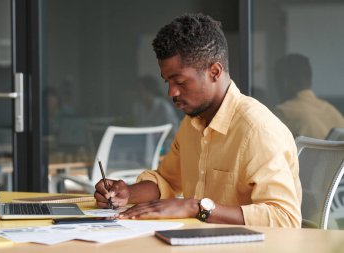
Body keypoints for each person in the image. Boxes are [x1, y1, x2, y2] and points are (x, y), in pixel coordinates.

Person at [94, 13, 302, 227]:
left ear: (214, 71)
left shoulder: (257, 130)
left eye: (180, 82)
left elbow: (284, 218)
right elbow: (167, 180)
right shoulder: (193, 123)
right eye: (167, 81)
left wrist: (196, 207)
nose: (171, 92)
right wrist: (127, 193)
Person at [273, 53, 344, 139]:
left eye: (276, 81)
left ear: (285, 82)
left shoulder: (282, 113)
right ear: (309, 80)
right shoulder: (333, 112)